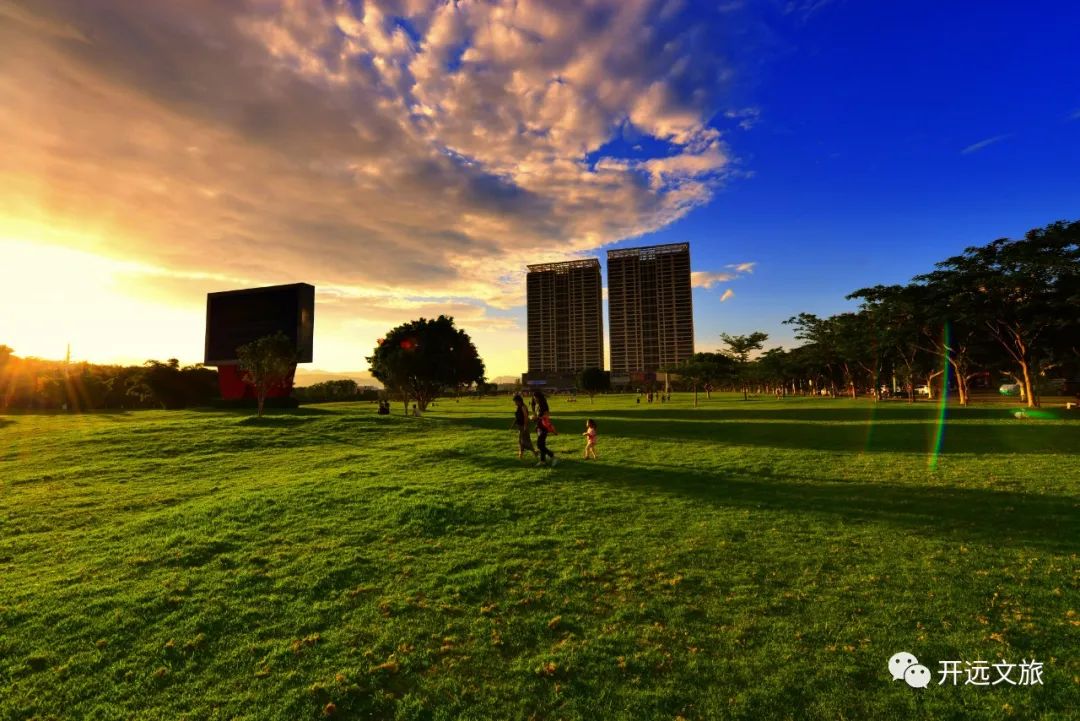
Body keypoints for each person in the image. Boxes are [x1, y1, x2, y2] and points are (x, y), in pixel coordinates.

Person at [532, 389, 557, 466]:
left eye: (535, 398)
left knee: (539, 445)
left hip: (544, 427)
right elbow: (538, 416)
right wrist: (535, 422)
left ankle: (553, 456)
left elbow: (546, 417)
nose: (534, 399)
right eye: (534, 398)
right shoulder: (537, 405)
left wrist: (536, 418)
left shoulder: (544, 405)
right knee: (542, 444)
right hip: (539, 427)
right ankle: (543, 461)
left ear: (539, 397)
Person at [510, 394, 537, 460]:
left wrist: (525, 426)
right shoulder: (518, 407)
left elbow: (525, 417)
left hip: (524, 426)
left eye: (515, 401)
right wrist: (513, 424)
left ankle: (534, 452)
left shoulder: (523, 407)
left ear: (519, 401)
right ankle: (521, 455)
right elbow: (517, 416)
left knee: (525, 441)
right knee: (521, 441)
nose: (515, 403)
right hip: (520, 426)